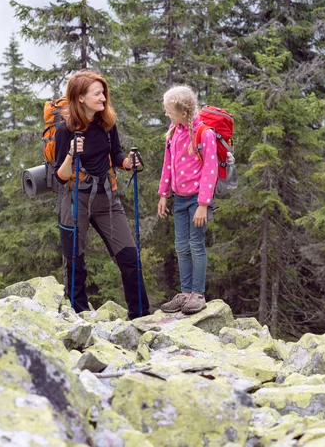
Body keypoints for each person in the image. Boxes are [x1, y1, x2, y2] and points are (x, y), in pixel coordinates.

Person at [54, 70, 150, 320]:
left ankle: (141, 316)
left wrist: (128, 162)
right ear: (81, 98)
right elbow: (60, 176)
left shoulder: (107, 123)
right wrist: (71, 155)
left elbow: (116, 154)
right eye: (97, 94)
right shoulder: (65, 130)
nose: (104, 99)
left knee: (129, 256)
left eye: (104, 94)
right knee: (75, 260)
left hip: (107, 198)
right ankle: (80, 316)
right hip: (75, 198)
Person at [157, 86, 218, 315]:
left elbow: (210, 170)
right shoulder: (174, 132)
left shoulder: (205, 134)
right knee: (181, 246)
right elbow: (168, 165)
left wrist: (203, 204)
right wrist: (164, 194)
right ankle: (185, 294)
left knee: (195, 244)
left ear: (183, 112)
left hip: (196, 201)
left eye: (170, 111)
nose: (167, 115)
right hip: (179, 200)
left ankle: (197, 294)